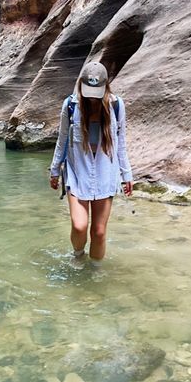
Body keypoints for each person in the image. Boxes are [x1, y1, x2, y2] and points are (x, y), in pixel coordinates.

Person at [49, 61, 133, 268]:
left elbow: (120, 144)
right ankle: (78, 255)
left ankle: (95, 271)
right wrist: (54, 171)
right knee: (79, 226)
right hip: (78, 172)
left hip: (105, 173)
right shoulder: (70, 105)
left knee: (99, 231)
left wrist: (127, 175)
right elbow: (62, 140)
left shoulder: (116, 105)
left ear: (105, 87)